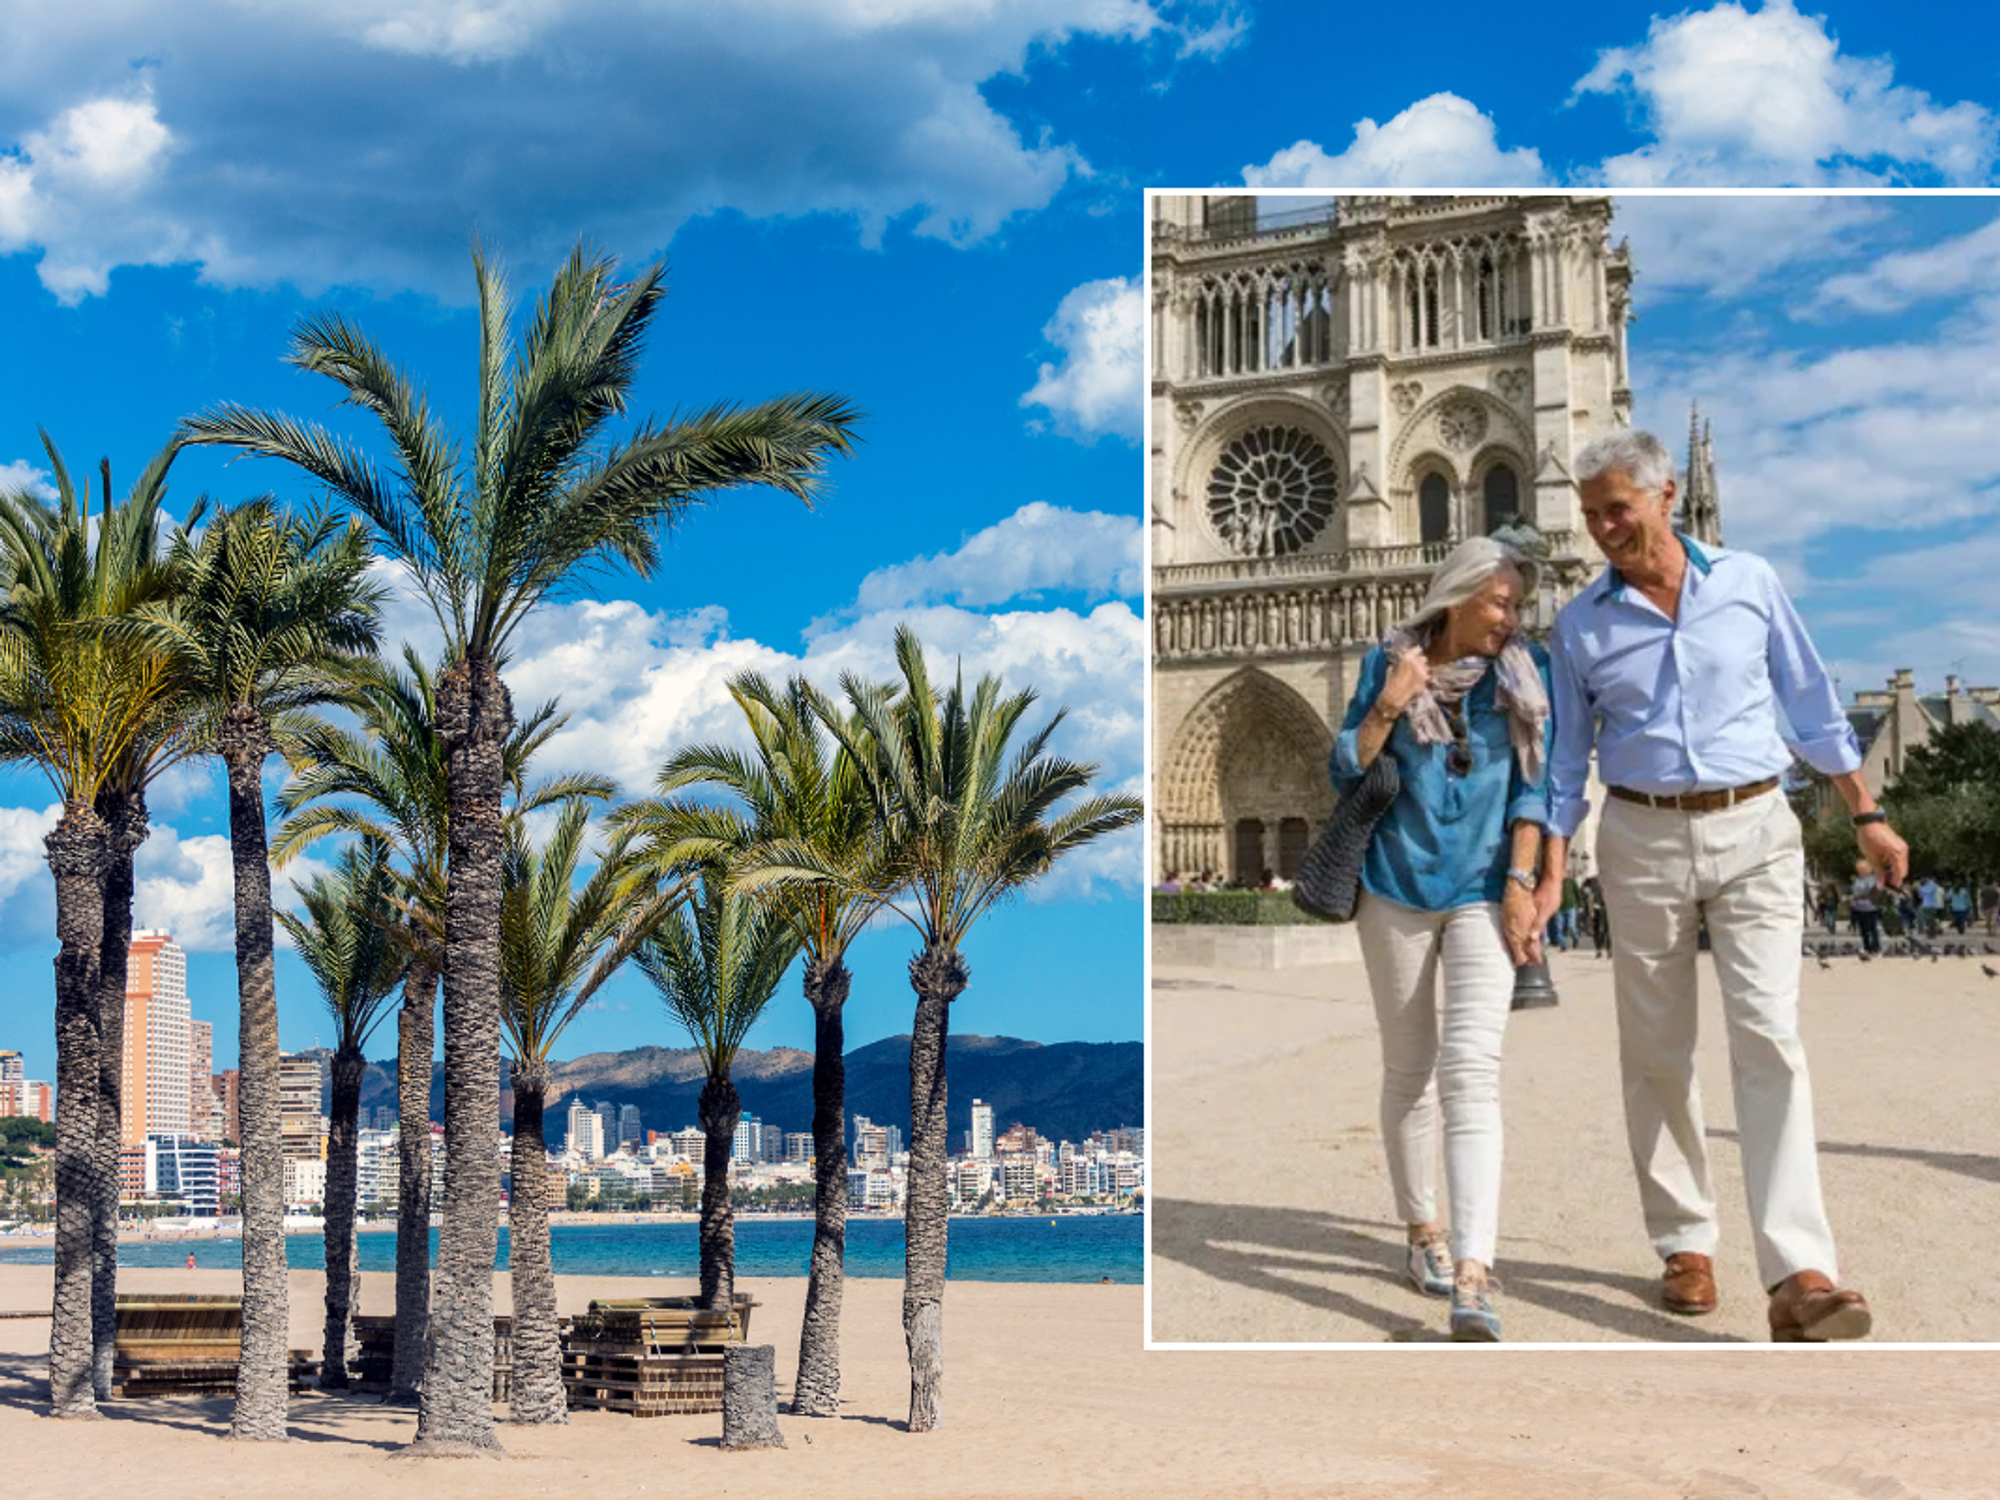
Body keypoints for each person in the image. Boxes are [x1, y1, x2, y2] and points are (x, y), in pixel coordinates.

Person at [1540, 429, 1908, 1343]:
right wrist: (1545, 869)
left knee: (1769, 1037)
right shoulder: (1580, 622)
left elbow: (1811, 699)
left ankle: (1799, 1270)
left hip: (1754, 826)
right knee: (1657, 1050)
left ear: (1667, 496)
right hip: (1639, 831)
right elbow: (1563, 760)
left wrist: (1866, 811)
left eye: (1616, 509)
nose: (1603, 529)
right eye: (1590, 516)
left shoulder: (1748, 581)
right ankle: (1684, 1244)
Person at [1330, 535, 1553, 1342]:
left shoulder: (1525, 679)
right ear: (1455, 598)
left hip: (1484, 892)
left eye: (1515, 605)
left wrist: (1524, 885)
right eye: (1500, 603)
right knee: (1409, 1069)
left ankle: (1473, 1273)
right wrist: (1392, 701)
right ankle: (1422, 1230)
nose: (1510, 618)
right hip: (1393, 887)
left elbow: (1536, 790)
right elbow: (1343, 769)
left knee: (1473, 1074)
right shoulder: (1385, 662)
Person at [1850, 860, 1883, 957]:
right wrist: (1852, 900)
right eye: (1859, 869)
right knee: (1863, 930)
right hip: (1858, 908)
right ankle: (1867, 948)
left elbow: (1871, 893)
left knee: (1872, 929)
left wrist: (1856, 897)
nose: (1860, 870)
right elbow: (1855, 892)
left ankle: (1876, 949)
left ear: (1869, 869)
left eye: (1862, 869)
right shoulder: (1857, 880)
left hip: (1870, 908)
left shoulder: (1873, 879)